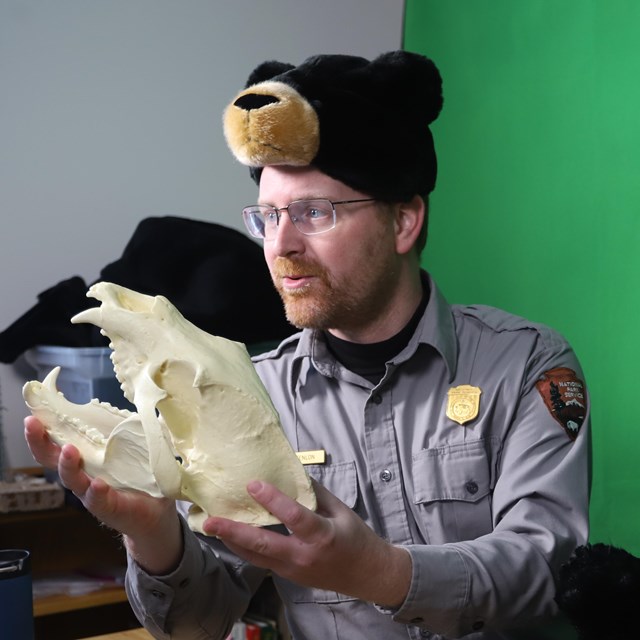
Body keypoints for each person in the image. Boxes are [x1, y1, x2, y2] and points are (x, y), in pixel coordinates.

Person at [24, 51, 590, 639]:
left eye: (313, 212)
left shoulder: (525, 365)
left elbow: (551, 572)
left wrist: (380, 572)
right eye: (267, 216)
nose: (280, 244)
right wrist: (154, 540)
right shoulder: (251, 395)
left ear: (403, 221)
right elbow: (198, 623)